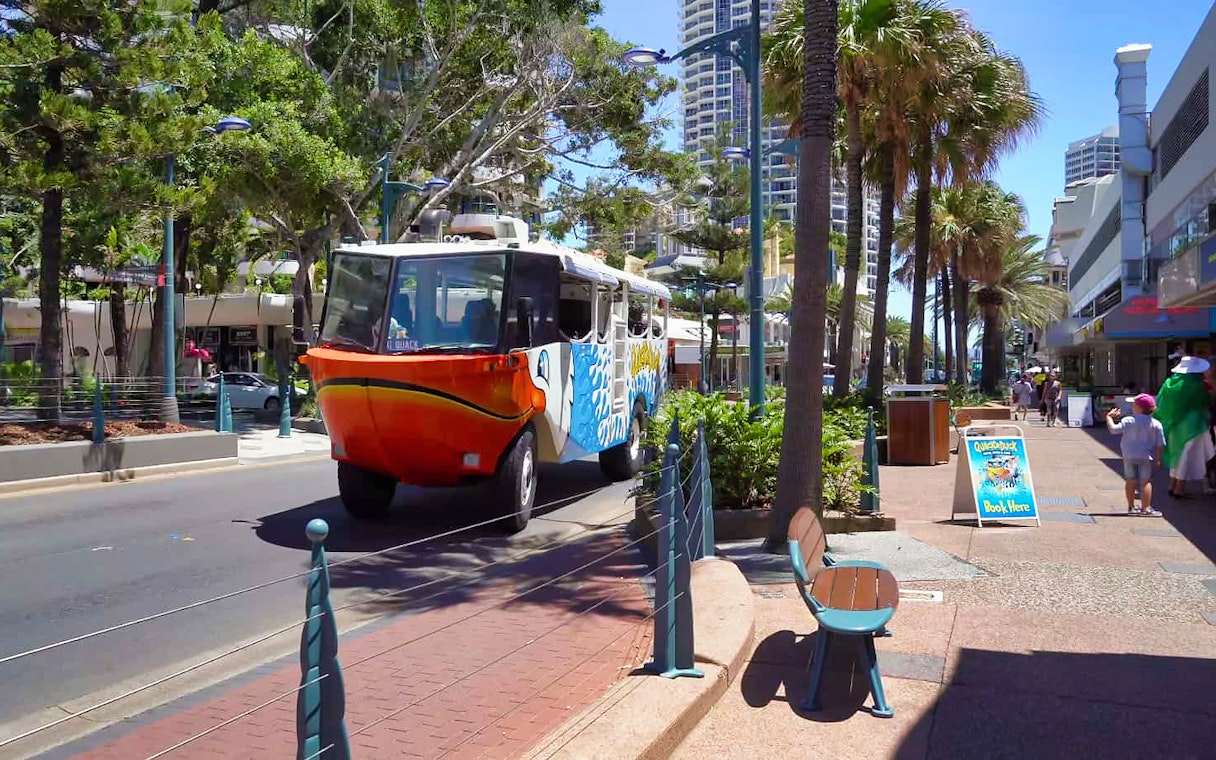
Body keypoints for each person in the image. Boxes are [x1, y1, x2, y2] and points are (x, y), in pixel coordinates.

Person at [1155, 355, 1216, 499]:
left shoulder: (1169, 382)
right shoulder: (1197, 384)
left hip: (1174, 424)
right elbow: (1206, 402)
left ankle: (1172, 486)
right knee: (1187, 457)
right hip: (1193, 425)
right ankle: (1179, 488)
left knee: (1177, 456)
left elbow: (1160, 402)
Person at [1106, 394, 1165, 517]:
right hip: (1146, 457)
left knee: (1130, 480)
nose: (1131, 406)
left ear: (1139, 408)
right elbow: (1160, 444)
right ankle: (1146, 508)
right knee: (1146, 482)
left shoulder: (1128, 420)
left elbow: (1113, 429)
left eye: (1133, 404)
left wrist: (1109, 417)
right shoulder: (1156, 424)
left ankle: (1131, 507)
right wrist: (1158, 459)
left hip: (1129, 455)